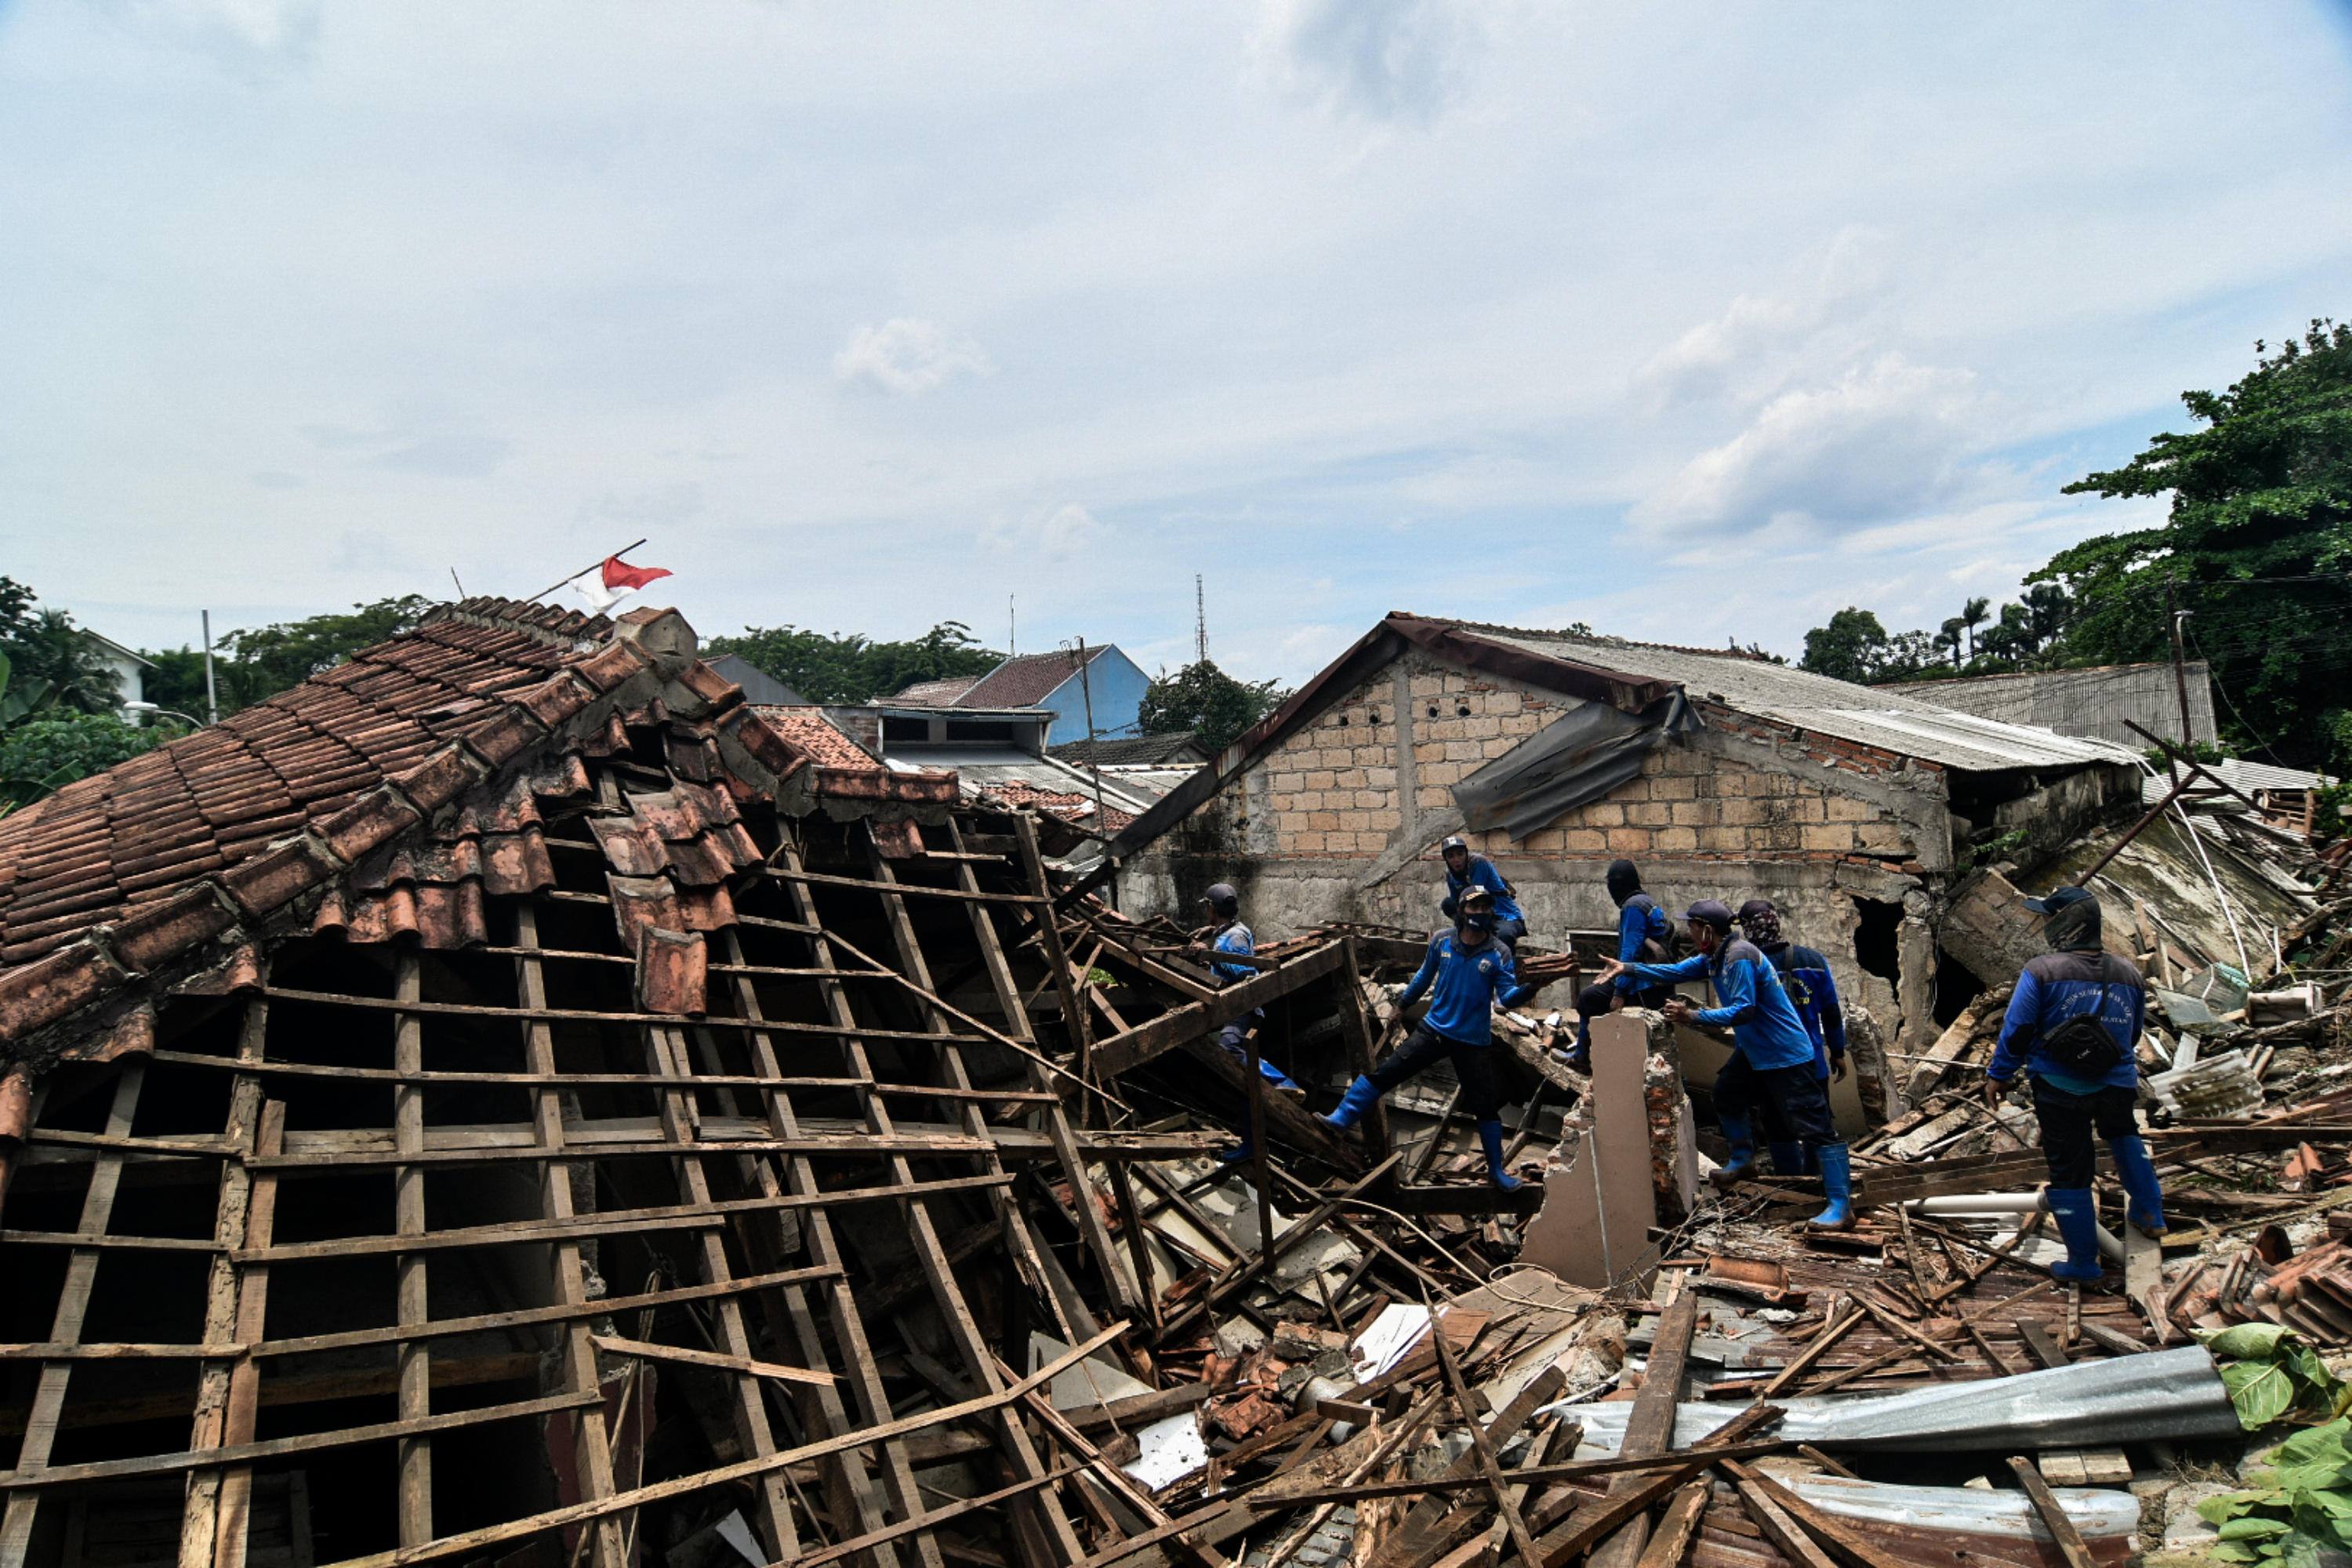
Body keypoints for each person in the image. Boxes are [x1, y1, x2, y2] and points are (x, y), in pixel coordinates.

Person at [1596, 900, 1853, 1232]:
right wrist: (1629, 969)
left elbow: (1744, 1010)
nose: (1688, 932)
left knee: (1816, 1128)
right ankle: (1744, 1161)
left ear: (1707, 929)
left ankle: (1841, 1206)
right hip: (1757, 1053)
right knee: (1727, 1095)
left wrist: (1693, 1016)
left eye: (1691, 926)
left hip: (1786, 1054)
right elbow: (1675, 971)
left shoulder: (1739, 957)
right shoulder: (1715, 957)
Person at [1983, 885, 2163, 1283]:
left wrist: (1999, 1073)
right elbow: (2132, 1034)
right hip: (2116, 1081)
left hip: (2058, 1084)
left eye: (2048, 916)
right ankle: (2151, 1213)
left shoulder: (2042, 970)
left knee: (2070, 1171)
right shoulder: (2129, 973)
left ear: (2064, 924)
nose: (2044, 923)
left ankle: (2083, 1263)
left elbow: (2018, 1028)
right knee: (2124, 1134)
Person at [1320, 887, 1534, 1190]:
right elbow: (1423, 976)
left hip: (1473, 1042)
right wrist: (1402, 1006)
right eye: (1475, 908)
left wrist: (1529, 989)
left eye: (1486, 908)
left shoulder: (1499, 952)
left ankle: (1496, 1171)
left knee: (1485, 1107)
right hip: (1434, 1031)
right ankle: (1340, 1119)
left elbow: (1505, 1000)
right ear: (1462, 912)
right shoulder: (1442, 941)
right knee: (1386, 1074)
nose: (1481, 914)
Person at [1733, 899, 1848, 1177]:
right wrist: (1839, 1052)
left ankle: (1790, 1183)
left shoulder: (1748, 967)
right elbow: (1831, 1013)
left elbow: (1741, 1016)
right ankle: (1815, 1182)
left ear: (1748, 931)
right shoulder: (1814, 961)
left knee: (1777, 1125)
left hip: (1769, 1066)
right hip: (1812, 1063)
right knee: (1816, 1124)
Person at [1189, 883, 1302, 1163]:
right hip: (1234, 1010)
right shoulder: (1231, 932)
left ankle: (1281, 1082)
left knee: (1229, 1048)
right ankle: (1250, 1147)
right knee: (1245, 1088)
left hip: (1243, 1009)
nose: (1206, 911)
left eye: (1207, 907)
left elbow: (1246, 977)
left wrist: (1209, 954)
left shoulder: (1234, 938)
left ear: (1213, 909)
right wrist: (1212, 937)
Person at [1563, 859, 1673, 1073]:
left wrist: (1620, 991)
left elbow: (1631, 952)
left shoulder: (1633, 907)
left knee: (1588, 999)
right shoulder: (1646, 902)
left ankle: (1582, 1058)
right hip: (1655, 982)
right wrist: (1610, 972)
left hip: (1642, 986)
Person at [1439, 836, 1526, 949]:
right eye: (1451, 856)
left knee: (1504, 935)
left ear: (1466, 853)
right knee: (1448, 904)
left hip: (1503, 916)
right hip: (1476, 914)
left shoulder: (1478, 862)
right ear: (1446, 859)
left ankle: (1505, 963)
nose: (1456, 860)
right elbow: (1457, 902)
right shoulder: (1449, 874)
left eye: (1460, 854)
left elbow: (1477, 896)